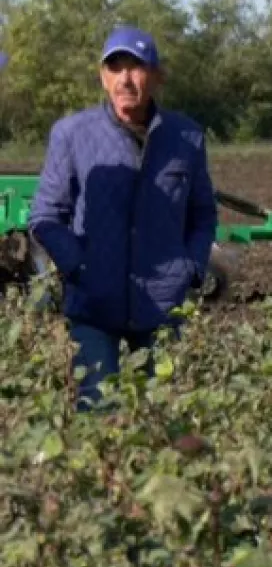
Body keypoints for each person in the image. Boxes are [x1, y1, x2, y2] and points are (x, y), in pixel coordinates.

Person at [28, 26, 218, 410]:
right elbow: (46, 215)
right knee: (99, 412)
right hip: (95, 303)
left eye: (136, 67)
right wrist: (76, 264)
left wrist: (191, 267)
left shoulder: (186, 137)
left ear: (156, 76)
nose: (125, 79)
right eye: (115, 68)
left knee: (161, 417)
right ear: (103, 77)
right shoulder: (72, 134)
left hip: (163, 304)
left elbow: (202, 212)